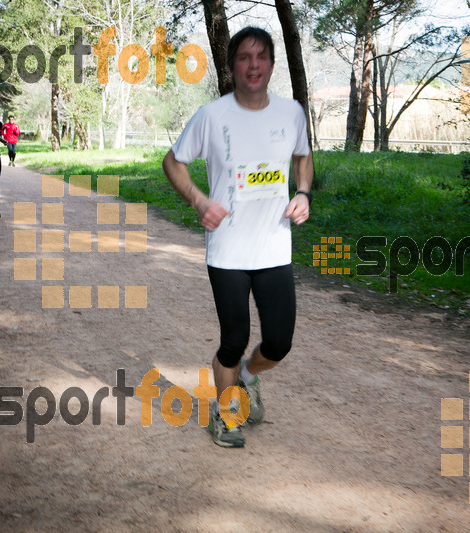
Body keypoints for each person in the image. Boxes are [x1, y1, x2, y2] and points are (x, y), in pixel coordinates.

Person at [162, 27, 313, 448]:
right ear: (231, 67)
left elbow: (303, 156)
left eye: (261, 57)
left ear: (271, 65)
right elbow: (172, 162)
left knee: (279, 342)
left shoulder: (291, 113)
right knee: (234, 340)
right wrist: (198, 200)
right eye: (244, 57)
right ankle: (225, 414)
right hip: (228, 249)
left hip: (273, 246)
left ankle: (247, 378)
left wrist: (302, 191)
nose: (253, 65)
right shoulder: (213, 116)